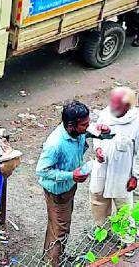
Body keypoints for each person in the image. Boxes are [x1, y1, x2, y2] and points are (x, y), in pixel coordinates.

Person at [36, 101, 109, 266]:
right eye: (84, 125)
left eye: (88, 123)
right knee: (61, 229)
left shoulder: (78, 132)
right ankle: (54, 262)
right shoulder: (55, 144)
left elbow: (99, 134)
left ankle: (52, 257)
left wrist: (105, 132)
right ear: (70, 126)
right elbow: (41, 171)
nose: (87, 127)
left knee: (56, 225)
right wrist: (71, 175)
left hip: (68, 187)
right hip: (58, 192)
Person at [89, 87, 139, 231]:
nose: (112, 107)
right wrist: (98, 149)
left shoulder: (138, 123)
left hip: (122, 172)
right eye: (112, 102)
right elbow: (96, 136)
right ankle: (100, 229)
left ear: (127, 106)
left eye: (117, 104)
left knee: (124, 206)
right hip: (102, 167)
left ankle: (127, 238)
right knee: (98, 200)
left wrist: (135, 176)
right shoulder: (105, 114)